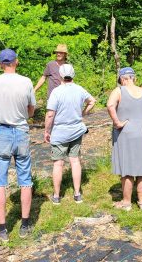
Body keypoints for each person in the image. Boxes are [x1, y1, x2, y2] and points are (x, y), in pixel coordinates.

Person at [0, 48, 36, 242]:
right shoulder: (26, 81)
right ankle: (24, 226)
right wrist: (24, 115)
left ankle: (2, 230)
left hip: (2, 131)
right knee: (25, 179)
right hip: (21, 130)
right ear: (16, 62)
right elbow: (31, 110)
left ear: (0, 64)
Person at [44, 64, 95, 205]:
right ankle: (77, 194)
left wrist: (47, 131)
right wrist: (83, 113)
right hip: (76, 130)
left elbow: (50, 114)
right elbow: (92, 101)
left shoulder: (56, 92)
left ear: (60, 76)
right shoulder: (79, 89)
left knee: (58, 164)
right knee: (75, 160)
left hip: (60, 132)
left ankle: (56, 196)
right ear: (73, 75)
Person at [107, 67, 142, 210]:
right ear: (133, 78)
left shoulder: (119, 91)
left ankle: (126, 202)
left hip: (126, 131)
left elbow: (110, 105)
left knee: (127, 168)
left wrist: (117, 122)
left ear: (122, 79)